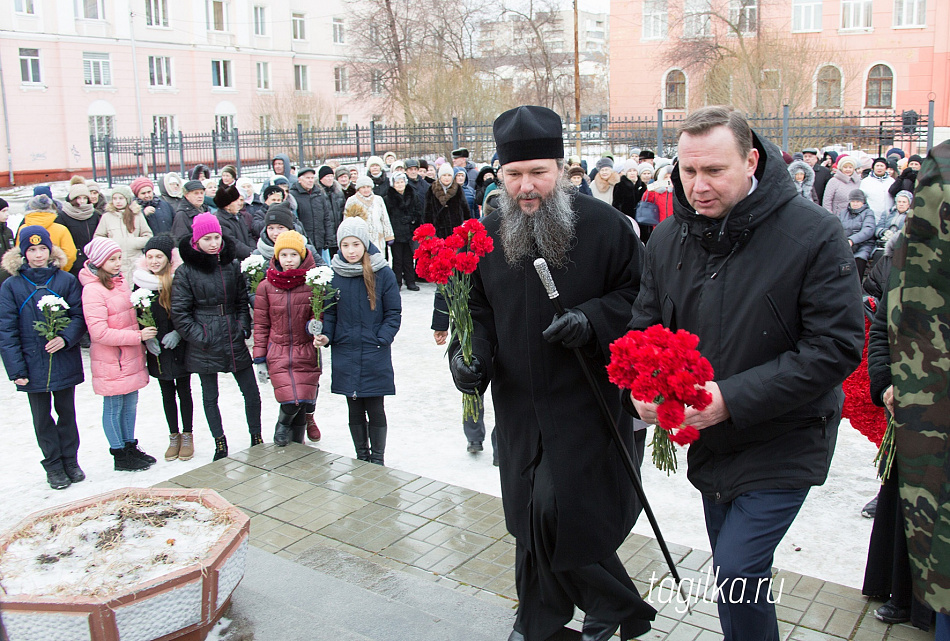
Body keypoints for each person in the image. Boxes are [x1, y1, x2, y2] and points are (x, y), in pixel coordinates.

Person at [628, 106, 864, 641]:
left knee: (736, 570)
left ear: (751, 159)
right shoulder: (668, 238)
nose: (698, 185)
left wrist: (730, 398)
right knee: (735, 576)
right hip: (713, 439)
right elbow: (644, 329)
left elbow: (836, 346)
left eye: (714, 171)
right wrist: (641, 390)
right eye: (688, 172)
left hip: (786, 432)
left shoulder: (814, 234)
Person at [450, 105, 655, 641]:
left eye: (538, 172)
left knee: (554, 508)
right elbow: (473, 311)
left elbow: (640, 298)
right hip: (518, 400)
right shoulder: (486, 233)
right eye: (513, 175)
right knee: (526, 513)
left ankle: (591, 609)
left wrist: (591, 319)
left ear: (562, 169)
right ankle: (553, 615)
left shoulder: (608, 228)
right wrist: (466, 359)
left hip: (584, 399)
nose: (526, 186)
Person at [171, 213, 262, 461]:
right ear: (196, 240)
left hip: (232, 333)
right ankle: (219, 442)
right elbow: (180, 313)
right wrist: (201, 336)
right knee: (210, 396)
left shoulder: (231, 265)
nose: (213, 243)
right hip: (205, 336)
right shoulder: (186, 272)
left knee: (251, 392)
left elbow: (242, 300)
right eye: (208, 238)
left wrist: (243, 326)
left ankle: (256, 437)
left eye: (217, 237)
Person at [0, 226, 86, 489]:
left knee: (66, 413)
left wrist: (66, 338)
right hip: (31, 362)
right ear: (23, 253)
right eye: (32, 250)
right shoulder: (12, 286)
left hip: (63, 359)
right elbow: (6, 329)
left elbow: (78, 315)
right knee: (42, 417)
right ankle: (53, 464)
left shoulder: (65, 280)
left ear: (51, 251)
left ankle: (70, 460)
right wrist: (17, 371)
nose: (38, 255)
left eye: (43, 249)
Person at [313, 215, 401, 464]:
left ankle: (378, 458)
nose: (350, 251)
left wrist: (382, 338)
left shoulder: (382, 272)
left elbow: (393, 312)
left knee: (375, 407)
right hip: (346, 351)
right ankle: (361, 456)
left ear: (365, 244)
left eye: (355, 244)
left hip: (374, 351)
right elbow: (329, 313)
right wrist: (327, 335)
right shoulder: (334, 274)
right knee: (354, 408)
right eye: (345, 245)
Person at [79, 237, 156, 472]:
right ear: (99, 261)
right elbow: (99, 332)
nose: (117, 263)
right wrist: (137, 337)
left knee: (130, 403)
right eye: (111, 259)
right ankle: (119, 453)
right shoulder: (93, 290)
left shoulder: (120, 283)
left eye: (118, 258)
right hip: (112, 360)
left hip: (129, 356)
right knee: (114, 405)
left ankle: (130, 445)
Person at [253, 230, 322, 446]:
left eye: (293, 255)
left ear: (301, 256)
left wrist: (316, 325)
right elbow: (261, 324)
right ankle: (282, 424)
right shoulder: (266, 286)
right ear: (276, 257)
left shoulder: (312, 283)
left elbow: (317, 314)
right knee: (289, 399)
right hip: (279, 349)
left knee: (302, 398)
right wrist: (259, 358)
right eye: (284, 255)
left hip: (305, 349)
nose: (289, 260)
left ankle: (298, 440)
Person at [132, 234, 193, 462]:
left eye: (159, 257)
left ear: (169, 258)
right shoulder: (140, 281)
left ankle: (187, 434)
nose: (154, 261)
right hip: (156, 346)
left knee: (184, 390)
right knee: (166, 392)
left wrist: (179, 332)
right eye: (150, 257)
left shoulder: (178, 278)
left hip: (179, 344)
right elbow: (136, 312)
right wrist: (145, 337)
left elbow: (188, 308)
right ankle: (173, 435)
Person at [94, 184, 152, 280]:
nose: (118, 201)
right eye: (115, 198)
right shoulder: (107, 217)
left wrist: (133, 242)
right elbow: (98, 237)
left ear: (127, 199)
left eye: (121, 198)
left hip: (134, 259)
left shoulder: (137, 215)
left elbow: (148, 236)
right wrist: (111, 244)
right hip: (114, 261)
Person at [17, 194, 77, 272]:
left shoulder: (23, 229)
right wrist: (61, 270)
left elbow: (19, 252)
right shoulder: (61, 229)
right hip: (55, 274)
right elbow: (70, 255)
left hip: (28, 274)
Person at [383, 171, 421, 290]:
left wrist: (412, 220)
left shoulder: (412, 195)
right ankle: (397, 282)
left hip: (409, 232)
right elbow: (386, 217)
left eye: (402, 182)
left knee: (409, 259)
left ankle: (410, 281)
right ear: (393, 184)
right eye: (397, 182)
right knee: (397, 259)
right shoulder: (388, 198)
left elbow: (418, 212)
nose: (400, 185)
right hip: (396, 233)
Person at [56, 180, 101, 279]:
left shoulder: (94, 214)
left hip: (92, 258)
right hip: (73, 261)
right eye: (78, 198)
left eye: (85, 198)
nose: (82, 201)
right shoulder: (63, 216)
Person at [290, 167, 336, 257]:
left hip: (319, 240)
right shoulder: (293, 195)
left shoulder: (319, 194)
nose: (310, 181)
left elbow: (326, 217)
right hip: (303, 241)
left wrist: (328, 237)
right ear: (299, 179)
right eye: (307, 178)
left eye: (312, 178)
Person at [346, 176, 394, 254]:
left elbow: (384, 218)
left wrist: (389, 235)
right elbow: (347, 221)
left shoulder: (378, 199)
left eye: (368, 187)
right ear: (358, 189)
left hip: (378, 237)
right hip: (361, 238)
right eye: (363, 187)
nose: (366, 190)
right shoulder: (352, 201)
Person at [836, 189, 877, 281]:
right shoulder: (843, 213)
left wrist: (852, 240)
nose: (855, 203)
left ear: (863, 202)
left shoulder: (868, 213)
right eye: (853, 201)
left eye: (858, 201)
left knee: (859, 259)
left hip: (863, 244)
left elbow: (868, 230)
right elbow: (837, 228)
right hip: (845, 244)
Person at [424, 163, 471, 238]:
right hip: (438, 229)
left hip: (456, 229)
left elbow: (465, 207)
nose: (447, 178)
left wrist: (467, 224)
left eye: (449, 175)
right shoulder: (432, 189)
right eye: (444, 175)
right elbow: (427, 211)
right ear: (440, 176)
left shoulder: (458, 188)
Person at [213, 183, 255, 260]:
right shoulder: (220, 220)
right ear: (227, 205)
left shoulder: (238, 215)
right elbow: (232, 243)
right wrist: (251, 253)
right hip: (233, 261)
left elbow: (249, 235)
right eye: (235, 201)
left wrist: (253, 250)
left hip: (248, 258)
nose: (239, 203)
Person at [317, 165, 346, 258]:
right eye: (327, 177)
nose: (330, 179)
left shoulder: (338, 193)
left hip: (339, 233)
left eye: (331, 176)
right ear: (321, 179)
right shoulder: (318, 194)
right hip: (326, 235)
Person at [860, 157, 895, 223]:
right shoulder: (865, 182)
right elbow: (862, 199)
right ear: (873, 168)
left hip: (889, 216)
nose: (879, 168)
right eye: (877, 166)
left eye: (882, 166)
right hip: (872, 217)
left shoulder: (891, 181)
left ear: (886, 168)